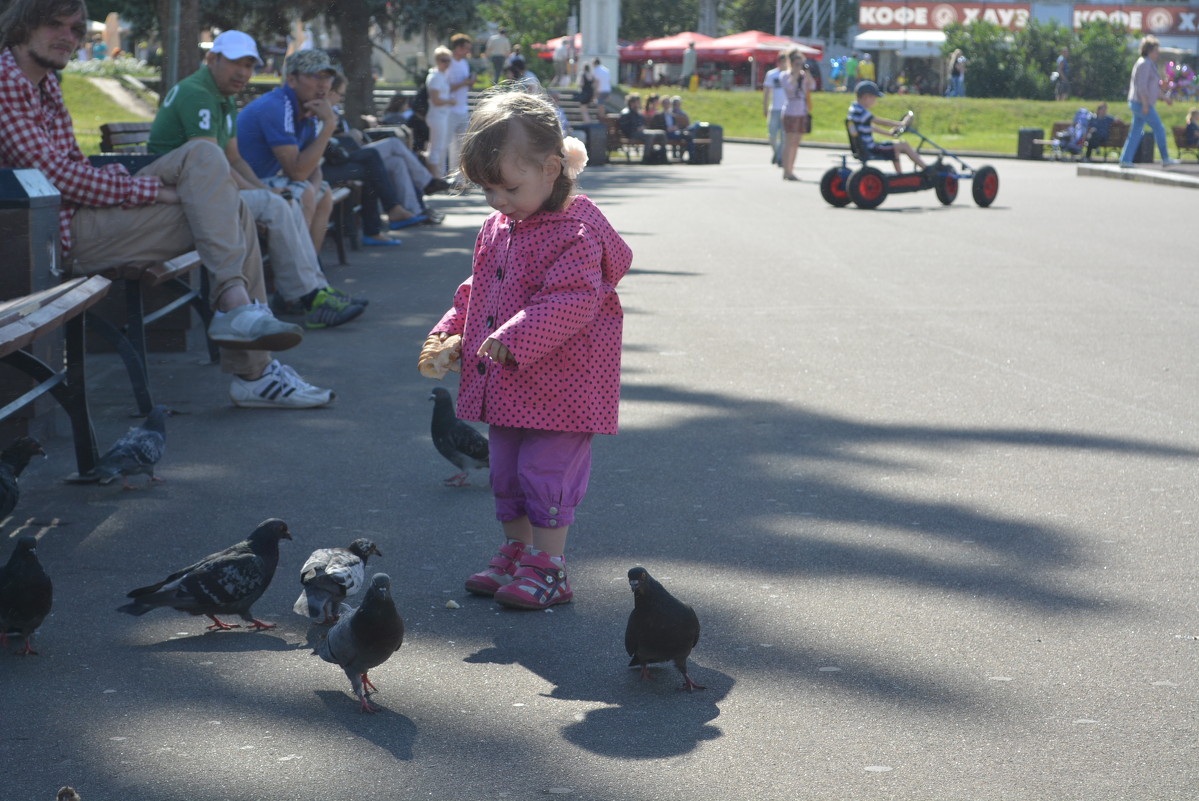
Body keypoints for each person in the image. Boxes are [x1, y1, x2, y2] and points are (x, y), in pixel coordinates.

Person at [0, 0, 333, 409]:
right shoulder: (7, 83)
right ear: (22, 27)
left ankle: (238, 312)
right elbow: (56, 178)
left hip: (79, 214)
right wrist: (156, 192)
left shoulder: (45, 83)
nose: (68, 38)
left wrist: (123, 182)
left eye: (74, 29)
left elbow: (71, 166)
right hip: (50, 237)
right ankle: (252, 364)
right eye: (55, 26)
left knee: (202, 155)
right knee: (234, 208)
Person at [422, 91, 632, 610]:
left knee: (545, 474)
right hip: (511, 378)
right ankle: (518, 550)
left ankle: (551, 565)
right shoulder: (502, 224)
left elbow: (571, 299)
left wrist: (512, 337)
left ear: (551, 168)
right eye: (486, 189)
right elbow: (480, 287)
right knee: (507, 472)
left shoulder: (576, 232)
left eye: (508, 187)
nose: (496, 200)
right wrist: (451, 330)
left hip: (564, 383)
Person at [148, 31, 365, 331]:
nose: (243, 73)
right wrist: (263, 193)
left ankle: (312, 289)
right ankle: (306, 296)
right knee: (276, 204)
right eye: (236, 63)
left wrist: (264, 190)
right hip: (181, 198)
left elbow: (234, 158)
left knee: (280, 200)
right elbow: (209, 169)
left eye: (250, 65)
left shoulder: (221, 97)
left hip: (199, 190)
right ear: (212, 59)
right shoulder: (199, 94)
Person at [235, 48, 337, 252]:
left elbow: (312, 167)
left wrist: (314, 188)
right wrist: (329, 126)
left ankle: (313, 270)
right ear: (291, 80)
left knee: (322, 192)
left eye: (327, 77)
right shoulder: (277, 106)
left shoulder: (307, 109)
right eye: (313, 76)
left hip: (264, 182)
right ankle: (298, 280)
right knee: (304, 191)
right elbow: (297, 172)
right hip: (243, 186)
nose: (323, 84)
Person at [327, 72, 448, 227]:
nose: (340, 98)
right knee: (393, 143)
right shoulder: (322, 109)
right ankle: (427, 181)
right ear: (331, 91)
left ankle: (414, 211)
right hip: (345, 155)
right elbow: (328, 138)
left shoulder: (333, 109)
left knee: (397, 162)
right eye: (339, 94)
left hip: (355, 149)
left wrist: (355, 132)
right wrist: (349, 134)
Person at [1119, 36, 1179, 167]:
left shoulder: (1148, 64)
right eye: (1156, 51)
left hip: (1139, 102)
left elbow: (1153, 88)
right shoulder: (1145, 64)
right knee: (1159, 128)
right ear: (1149, 51)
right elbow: (1142, 86)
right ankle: (1165, 158)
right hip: (1141, 103)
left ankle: (1125, 160)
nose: (1158, 54)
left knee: (1135, 132)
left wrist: (1165, 98)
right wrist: (1145, 104)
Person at [847, 80, 927, 172]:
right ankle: (926, 169)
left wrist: (888, 133)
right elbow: (882, 122)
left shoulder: (854, 109)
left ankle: (900, 176)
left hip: (866, 146)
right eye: (874, 98)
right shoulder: (861, 112)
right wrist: (901, 123)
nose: (875, 101)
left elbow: (870, 128)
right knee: (904, 145)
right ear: (866, 97)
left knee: (895, 147)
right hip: (871, 148)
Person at [780, 49, 815, 182]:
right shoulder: (785, 75)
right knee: (789, 141)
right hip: (790, 111)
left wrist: (807, 73)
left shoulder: (804, 76)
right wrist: (795, 73)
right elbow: (790, 87)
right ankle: (786, 170)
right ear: (791, 63)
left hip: (802, 111)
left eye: (801, 63)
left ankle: (791, 169)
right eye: (797, 63)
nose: (799, 65)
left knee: (796, 142)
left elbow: (813, 85)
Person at [447, 33, 475, 184]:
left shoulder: (464, 63)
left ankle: (460, 179)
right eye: (466, 49)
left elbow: (465, 84)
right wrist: (464, 83)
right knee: (448, 146)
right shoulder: (448, 62)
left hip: (462, 109)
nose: (468, 52)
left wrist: (469, 83)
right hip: (449, 110)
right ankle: (445, 179)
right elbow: (445, 87)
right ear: (458, 48)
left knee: (463, 146)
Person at [425, 46, 454, 178]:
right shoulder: (435, 76)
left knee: (439, 147)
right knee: (437, 147)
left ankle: (436, 176)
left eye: (448, 60)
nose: (446, 63)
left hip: (441, 115)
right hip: (437, 115)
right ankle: (435, 177)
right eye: (443, 60)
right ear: (437, 60)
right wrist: (450, 101)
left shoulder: (441, 75)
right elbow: (435, 99)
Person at [618, 92, 667, 162]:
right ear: (632, 103)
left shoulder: (638, 113)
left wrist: (643, 127)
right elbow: (624, 127)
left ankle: (662, 157)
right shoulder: (626, 113)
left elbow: (643, 124)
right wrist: (636, 129)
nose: (639, 104)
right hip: (632, 134)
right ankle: (646, 158)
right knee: (650, 135)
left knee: (662, 133)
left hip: (642, 132)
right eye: (637, 102)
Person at [762, 51, 788, 166]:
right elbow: (767, 92)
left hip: (786, 109)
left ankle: (780, 158)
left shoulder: (789, 75)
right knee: (772, 135)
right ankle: (777, 153)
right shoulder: (772, 74)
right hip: (774, 108)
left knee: (783, 136)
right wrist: (765, 106)